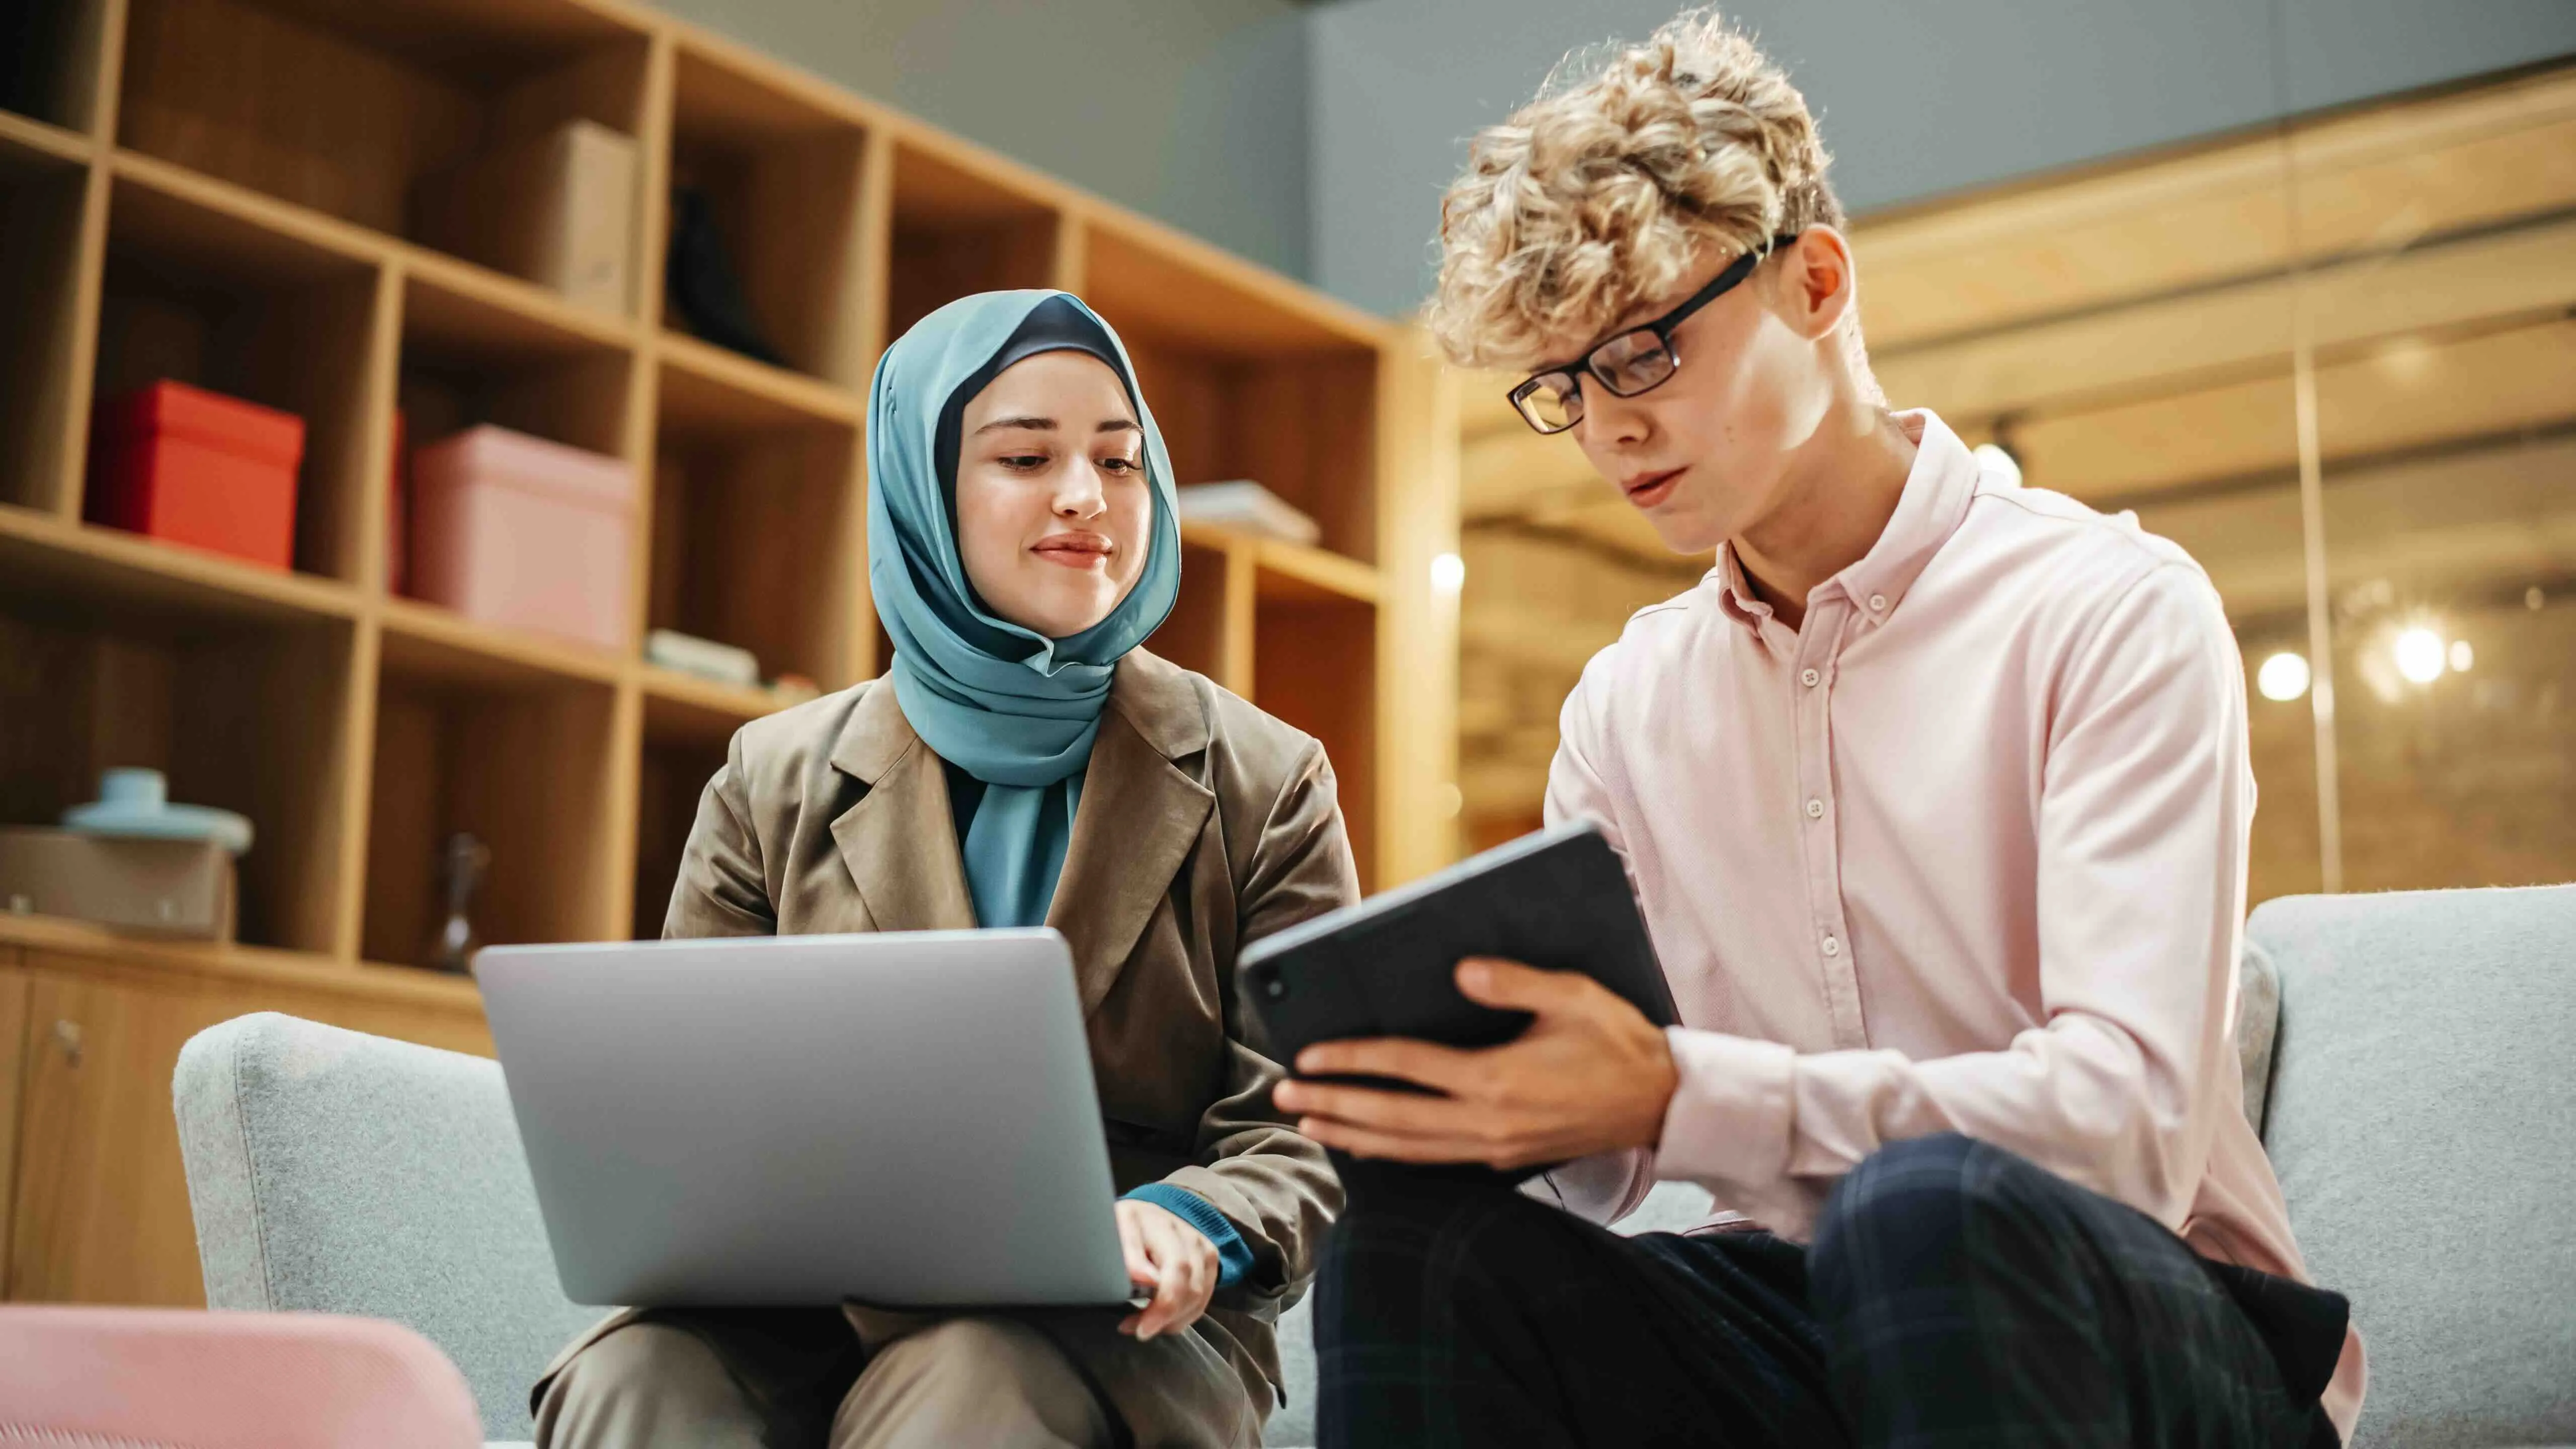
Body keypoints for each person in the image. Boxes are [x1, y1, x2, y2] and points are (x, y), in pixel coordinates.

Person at [1275, 13, 2365, 1448]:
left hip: (2145, 1319)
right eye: (1564, 385)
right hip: (1788, 1311)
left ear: (1816, 280)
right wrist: (1459, 1101)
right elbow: (1602, 1164)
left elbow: (2131, 1136)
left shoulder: (2108, 608)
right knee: (1425, 1245)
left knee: (1922, 1210)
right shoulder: (1626, 705)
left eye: (1647, 353)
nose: (1607, 430)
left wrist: (1683, 1093)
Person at [534, 290, 1355, 1449]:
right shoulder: (769, 778)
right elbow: (699, 1113)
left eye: (1120, 463)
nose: (1086, 495)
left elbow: (1309, 1119)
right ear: (922, 488)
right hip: (807, 1312)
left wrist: (1188, 1222)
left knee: (970, 1377)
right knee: (635, 1380)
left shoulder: (1267, 780)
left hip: (1117, 1334)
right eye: (1027, 456)